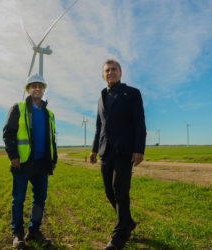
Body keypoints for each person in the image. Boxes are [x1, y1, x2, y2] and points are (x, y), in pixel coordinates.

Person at [90, 59, 146, 249]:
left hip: (125, 151)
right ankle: (127, 222)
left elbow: (140, 122)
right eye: (107, 70)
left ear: (120, 74)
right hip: (106, 151)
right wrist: (94, 149)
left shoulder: (132, 93)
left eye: (114, 70)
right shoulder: (101, 98)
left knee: (120, 190)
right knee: (109, 191)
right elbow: (99, 126)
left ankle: (119, 235)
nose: (110, 72)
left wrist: (139, 149)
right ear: (102, 75)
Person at [3, 73, 57, 249]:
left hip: (42, 163)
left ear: (44, 90)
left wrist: (53, 159)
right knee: (18, 200)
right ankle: (18, 235)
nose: (37, 88)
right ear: (28, 89)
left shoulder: (49, 113)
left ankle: (34, 231)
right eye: (33, 86)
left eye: (40, 86)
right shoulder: (18, 108)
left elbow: (52, 139)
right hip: (23, 163)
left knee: (40, 200)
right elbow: (8, 133)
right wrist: (13, 157)